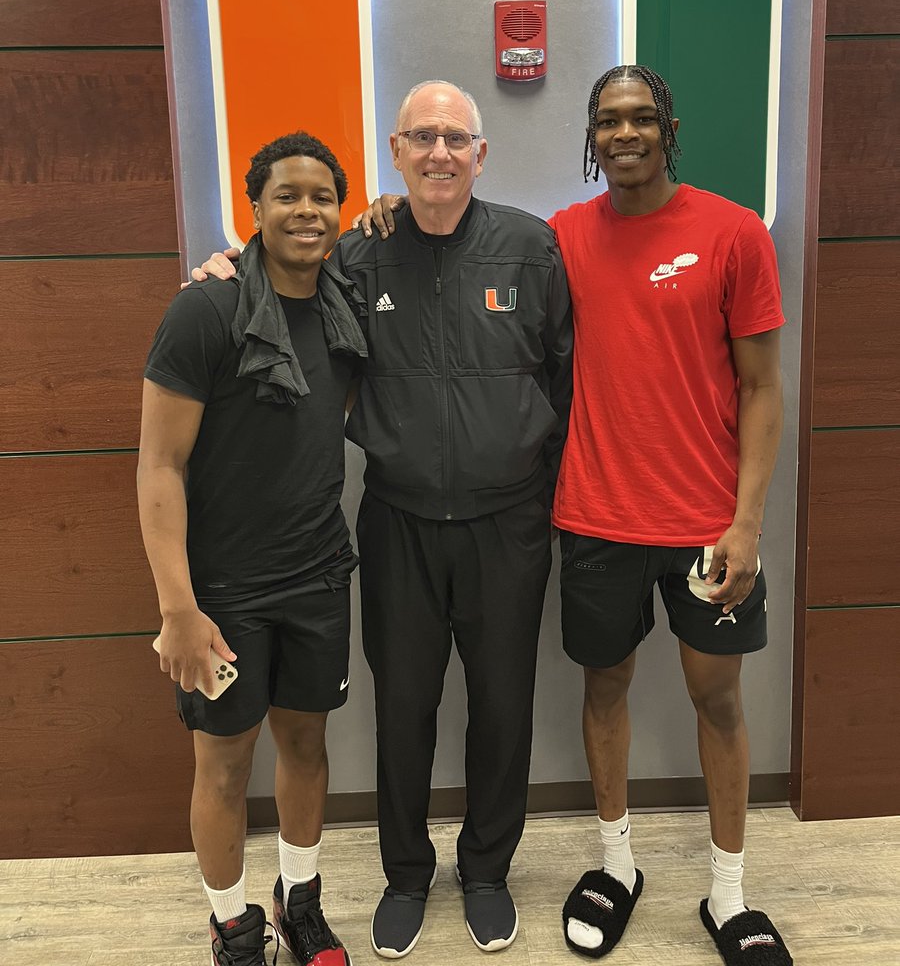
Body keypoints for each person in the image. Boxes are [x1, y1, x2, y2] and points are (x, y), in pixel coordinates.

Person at [358, 65, 792, 966]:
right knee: (541, 698)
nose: (623, 133)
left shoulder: (710, 234)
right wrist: (251, 254)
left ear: (669, 127)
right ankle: (553, 870)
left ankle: (717, 894)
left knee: (695, 700)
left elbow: (748, 386)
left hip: (681, 522)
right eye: (607, 121)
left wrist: (749, 521)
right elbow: (314, 262)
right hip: (570, 521)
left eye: (640, 118)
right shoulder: (525, 241)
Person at [196, 80, 574, 958]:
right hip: (399, 521)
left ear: (482, 155)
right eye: (422, 138)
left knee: (503, 704)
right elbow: (277, 277)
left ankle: (485, 871)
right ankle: (407, 875)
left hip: (507, 525)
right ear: (395, 154)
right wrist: (225, 265)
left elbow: (563, 374)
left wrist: (522, 467)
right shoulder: (358, 256)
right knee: (403, 707)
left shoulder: (531, 249)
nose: (440, 153)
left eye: (457, 138)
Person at [137, 131, 366, 966]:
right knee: (225, 767)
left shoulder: (343, 298)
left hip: (317, 579)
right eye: (286, 196)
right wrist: (179, 608)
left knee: (307, 747)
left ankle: (298, 902)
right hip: (223, 595)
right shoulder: (206, 308)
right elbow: (158, 466)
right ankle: (233, 925)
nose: (306, 211)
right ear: (255, 209)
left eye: (322, 198)